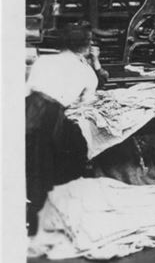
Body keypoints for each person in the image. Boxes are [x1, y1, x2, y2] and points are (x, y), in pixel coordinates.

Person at [25, 24, 99, 235]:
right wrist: (95, 62)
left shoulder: (44, 60)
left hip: (28, 107)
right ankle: (51, 219)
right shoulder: (86, 71)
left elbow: (30, 88)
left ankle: (30, 218)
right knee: (55, 164)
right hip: (51, 115)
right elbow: (86, 103)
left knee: (31, 165)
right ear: (87, 47)